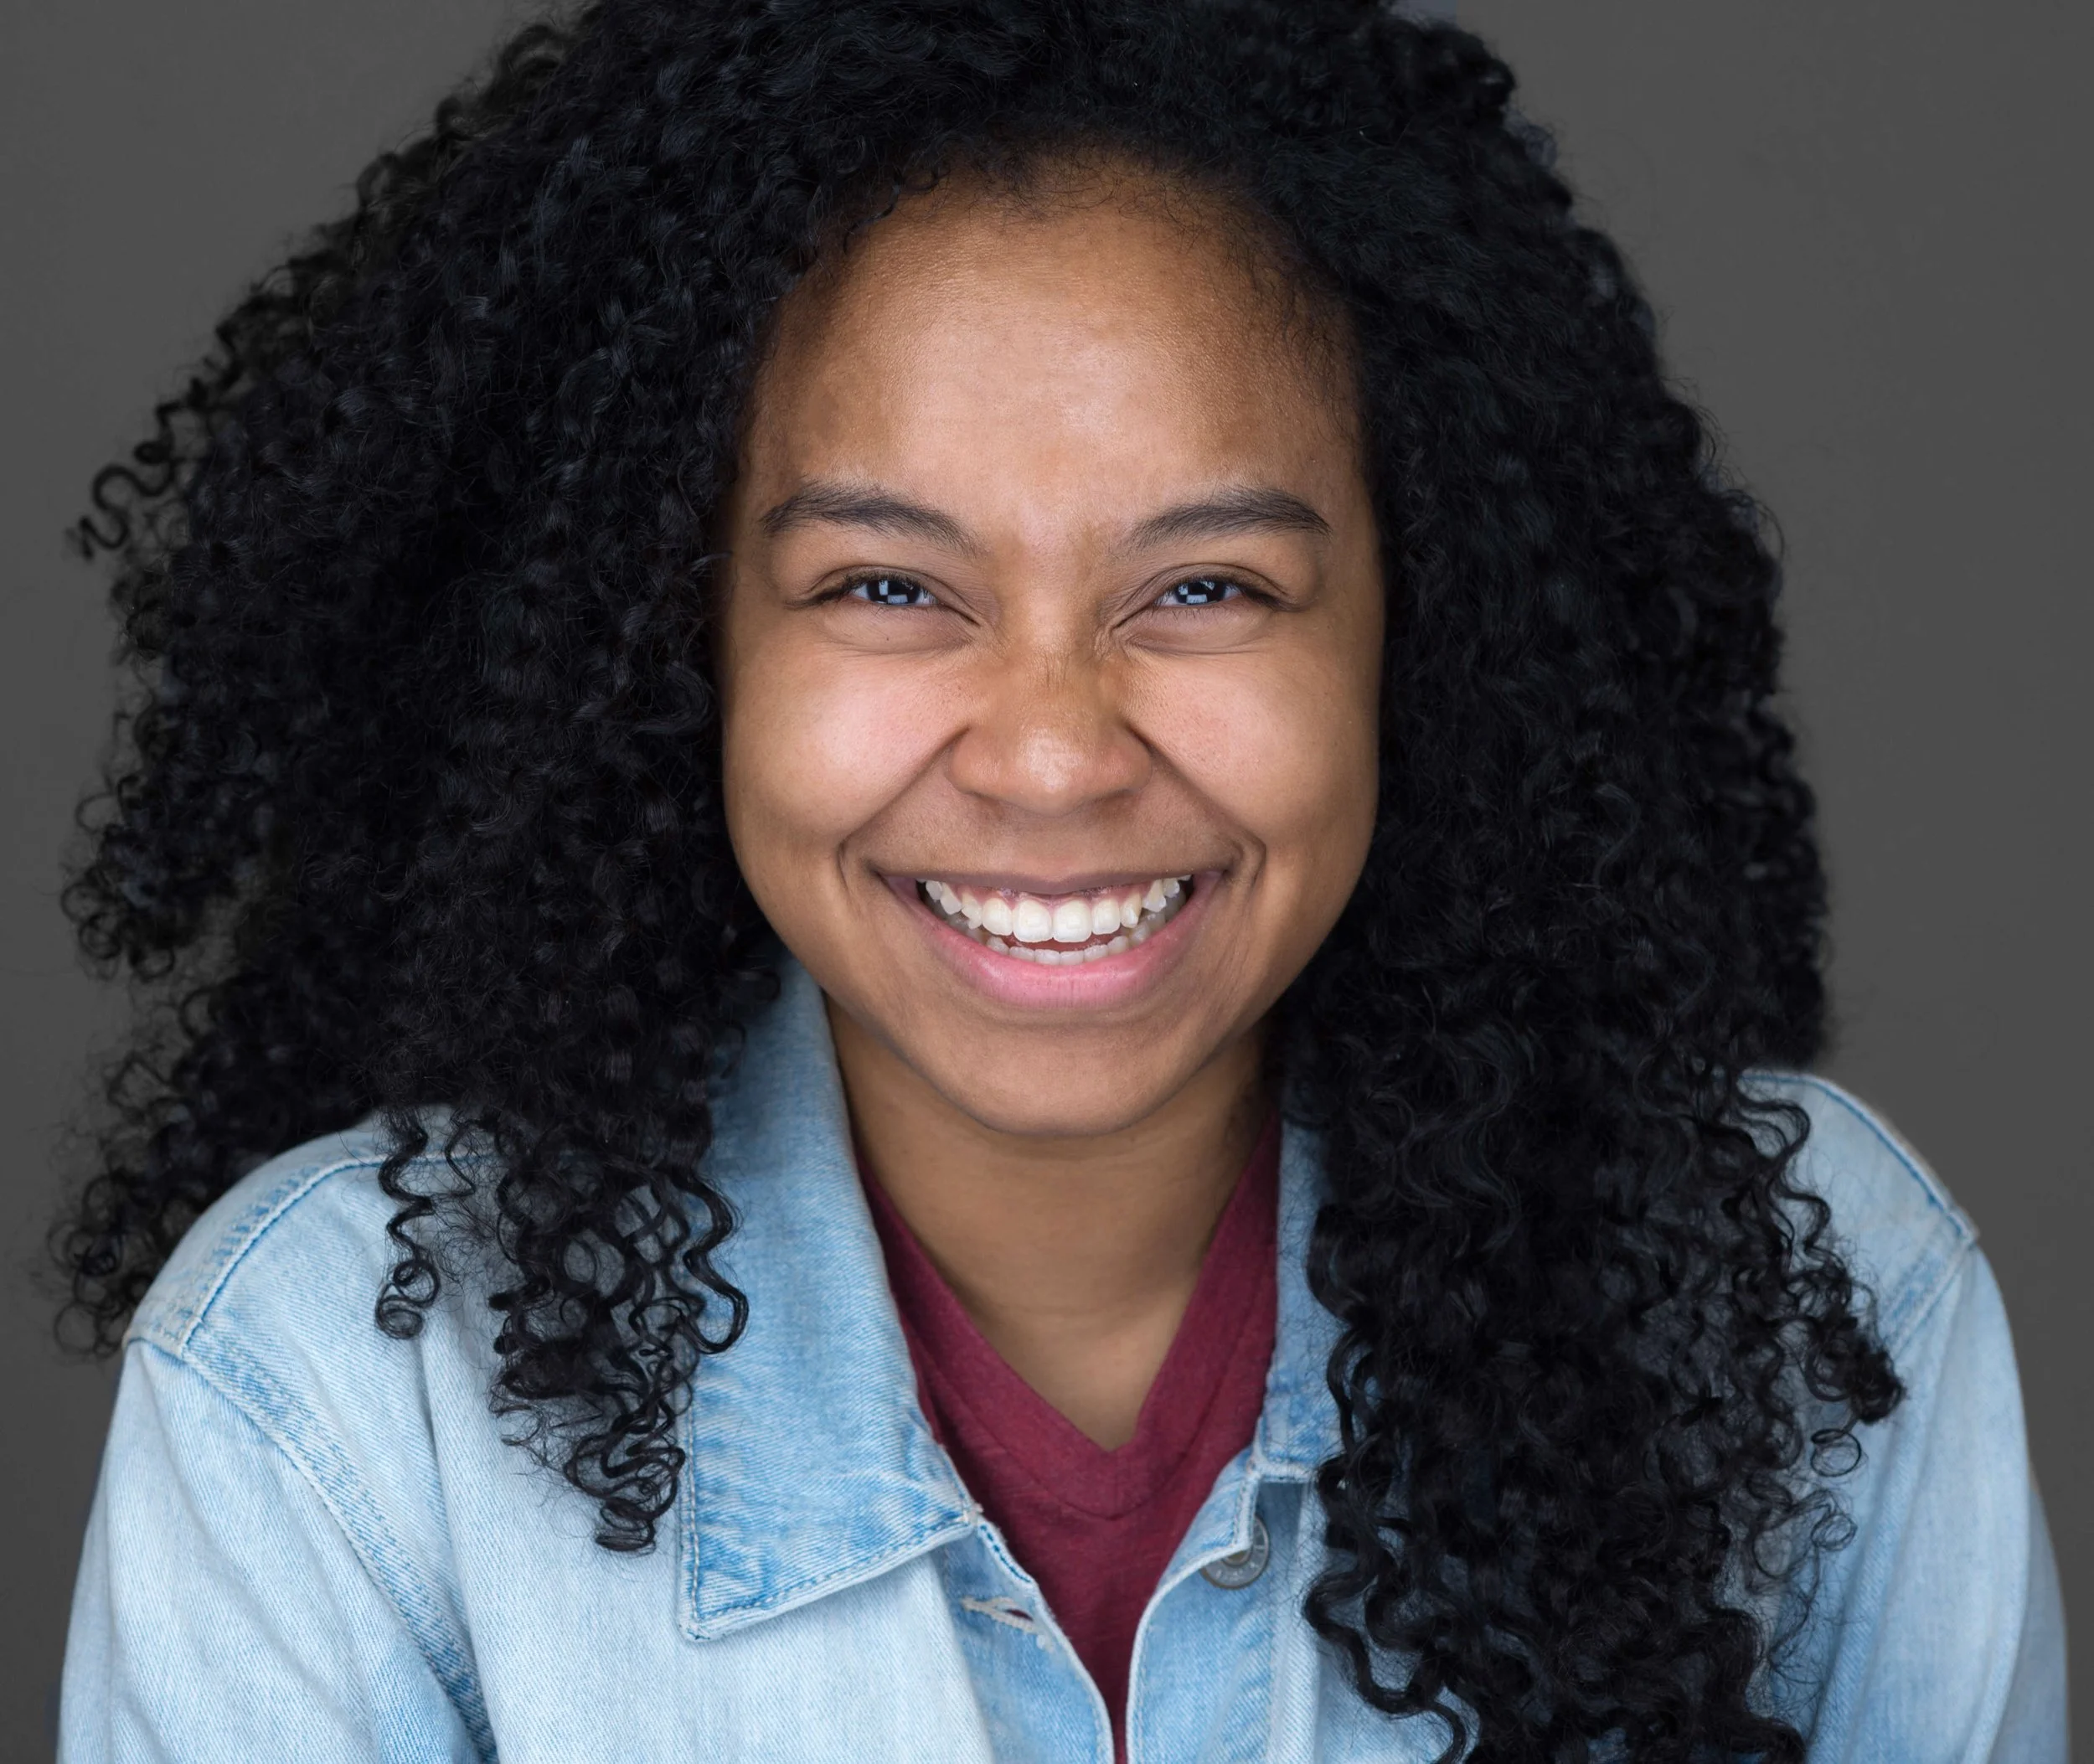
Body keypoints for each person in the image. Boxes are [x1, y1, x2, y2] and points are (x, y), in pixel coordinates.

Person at [51, 2, 2065, 1759]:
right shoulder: (330, 1392)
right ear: (680, 648)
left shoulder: (1798, 1301)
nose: (1048, 749)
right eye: (884, 586)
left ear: (1408, 633)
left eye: (1201, 587)